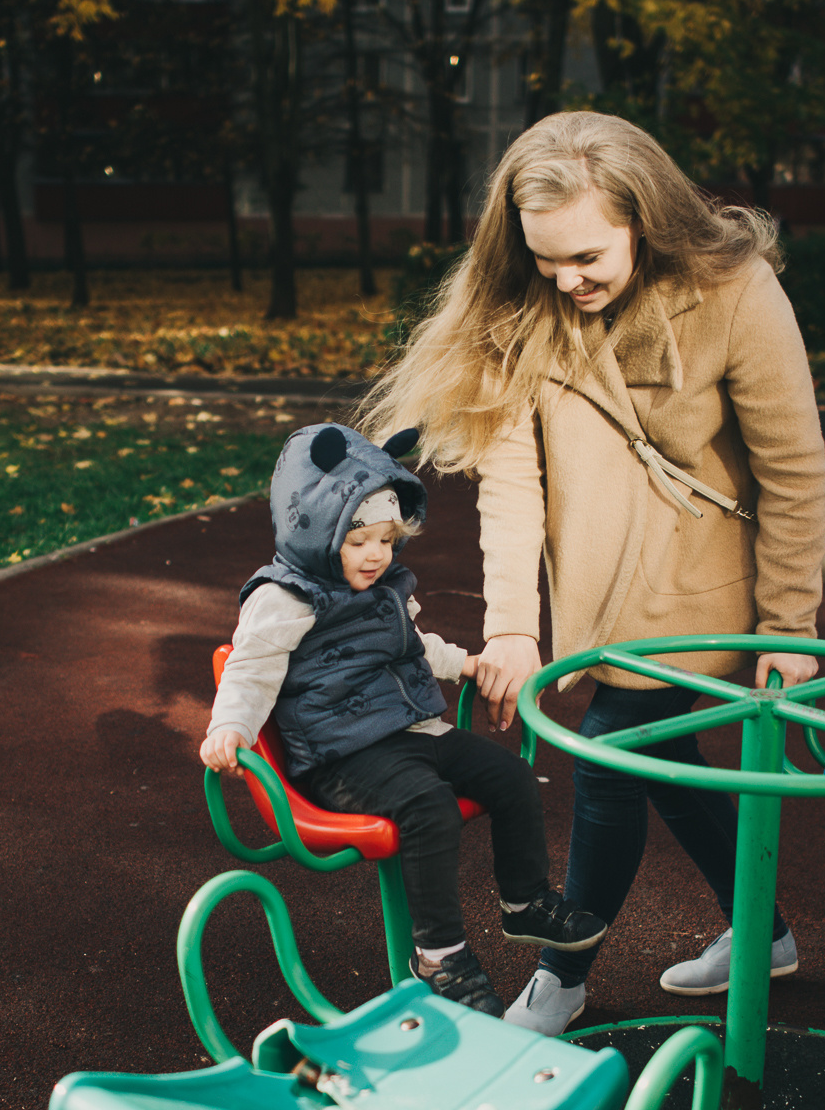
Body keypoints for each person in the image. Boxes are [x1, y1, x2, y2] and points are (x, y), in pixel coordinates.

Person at [358, 111, 825, 1035]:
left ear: (643, 220)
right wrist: (510, 628)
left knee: (611, 756)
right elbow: (512, 484)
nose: (565, 280)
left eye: (587, 259)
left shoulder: (735, 291)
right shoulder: (523, 311)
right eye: (545, 260)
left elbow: (793, 466)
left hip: (701, 582)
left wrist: (790, 627)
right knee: (661, 758)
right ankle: (764, 930)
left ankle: (561, 980)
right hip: (600, 586)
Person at [200, 422, 607, 1016]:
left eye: (387, 540)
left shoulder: (385, 587)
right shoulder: (284, 597)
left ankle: (524, 904)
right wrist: (227, 727)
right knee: (429, 807)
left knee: (509, 776)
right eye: (359, 539)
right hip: (344, 756)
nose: (376, 555)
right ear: (315, 528)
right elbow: (249, 668)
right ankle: (440, 953)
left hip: (412, 730)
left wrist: (462, 663)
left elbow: (412, 644)